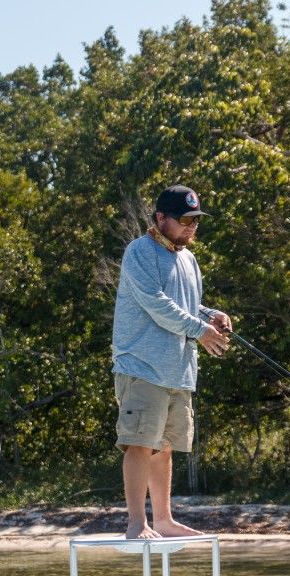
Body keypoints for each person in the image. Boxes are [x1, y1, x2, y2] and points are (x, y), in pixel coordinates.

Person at [112, 185, 232, 539]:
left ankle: (163, 520)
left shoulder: (188, 259)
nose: (191, 227)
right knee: (140, 443)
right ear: (160, 218)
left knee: (164, 447)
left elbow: (188, 305)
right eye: (184, 220)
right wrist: (199, 329)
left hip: (178, 370)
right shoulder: (139, 252)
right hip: (141, 366)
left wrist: (213, 315)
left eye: (196, 221)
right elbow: (156, 302)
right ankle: (137, 523)